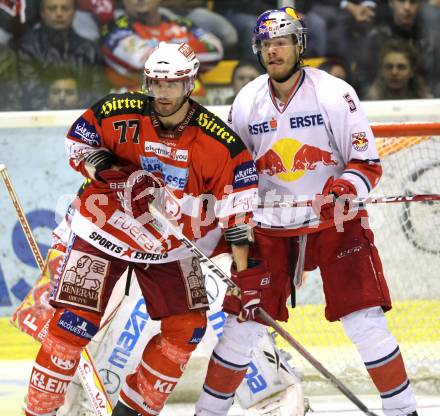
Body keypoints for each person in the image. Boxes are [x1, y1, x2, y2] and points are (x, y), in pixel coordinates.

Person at [195, 7, 418, 416]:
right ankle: (207, 412)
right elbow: (235, 171)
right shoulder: (247, 100)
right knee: (242, 326)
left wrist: (343, 189)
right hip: (270, 227)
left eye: (281, 42)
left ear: (299, 45)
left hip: (335, 222)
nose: (272, 51)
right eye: (265, 44)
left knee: (364, 321)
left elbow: (366, 163)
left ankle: (404, 411)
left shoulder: (335, 93)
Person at [24, 41, 260, 416]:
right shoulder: (118, 110)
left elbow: (238, 217)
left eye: (172, 84)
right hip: (103, 229)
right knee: (72, 325)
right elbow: (79, 141)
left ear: (190, 84)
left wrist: (245, 281)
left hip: (170, 244)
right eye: (155, 83)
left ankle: (134, 410)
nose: (162, 93)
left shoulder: (220, 143)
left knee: (187, 329)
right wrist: (106, 169)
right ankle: (37, 412)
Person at [100, 0, 223, 93]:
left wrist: (162, 49)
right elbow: (139, 60)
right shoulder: (115, 30)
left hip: (192, 104)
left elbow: (215, 49)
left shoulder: (180, 23)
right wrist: (184, 49)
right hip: (137, 107)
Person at [14, 0, 107, 110]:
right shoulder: (27, 48)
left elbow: (99, 94)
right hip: (40, 119)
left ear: (74, 12)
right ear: (42, 13)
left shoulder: (90, 50)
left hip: (84, 119)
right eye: (52, 8)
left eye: (65, 8)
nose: (59, 13)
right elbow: (31, 96)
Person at [364, 39, 431, 100]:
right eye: (389, 67)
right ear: (381, 71)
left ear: (412, 71)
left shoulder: (426, 103)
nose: (394, 72)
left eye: (401, 67)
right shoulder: (368, 104)